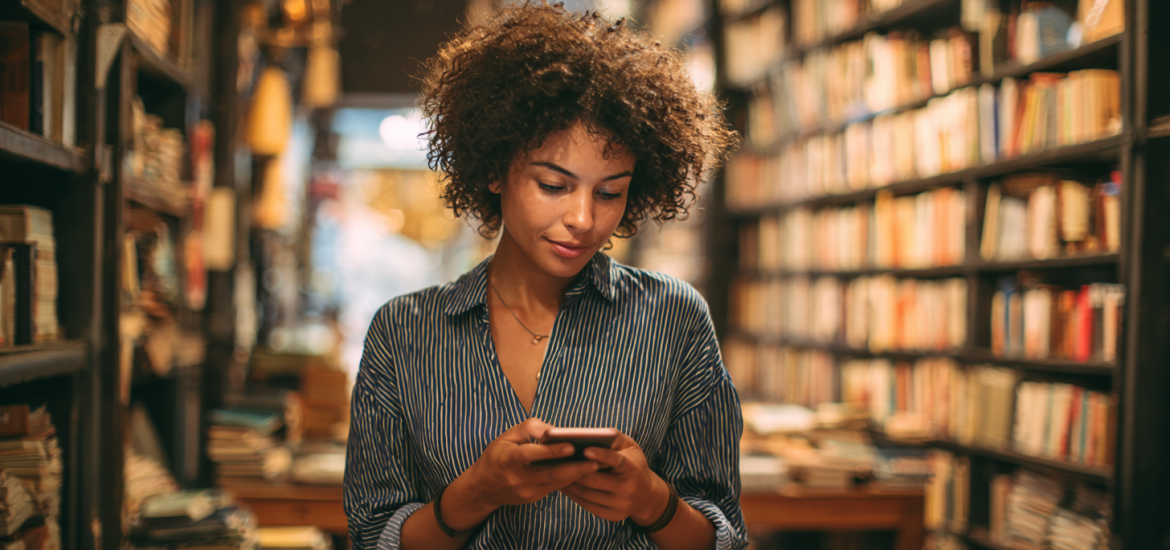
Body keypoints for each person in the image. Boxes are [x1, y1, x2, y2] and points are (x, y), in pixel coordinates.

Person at [343, 3, 743, 549]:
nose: (583, 218)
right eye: (553, 185)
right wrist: (476, 493)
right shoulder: (403, 332)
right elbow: (373, 538)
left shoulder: (673, 318)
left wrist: (652, 502)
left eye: (609, 193)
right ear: (492, 169)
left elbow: (723, 536)